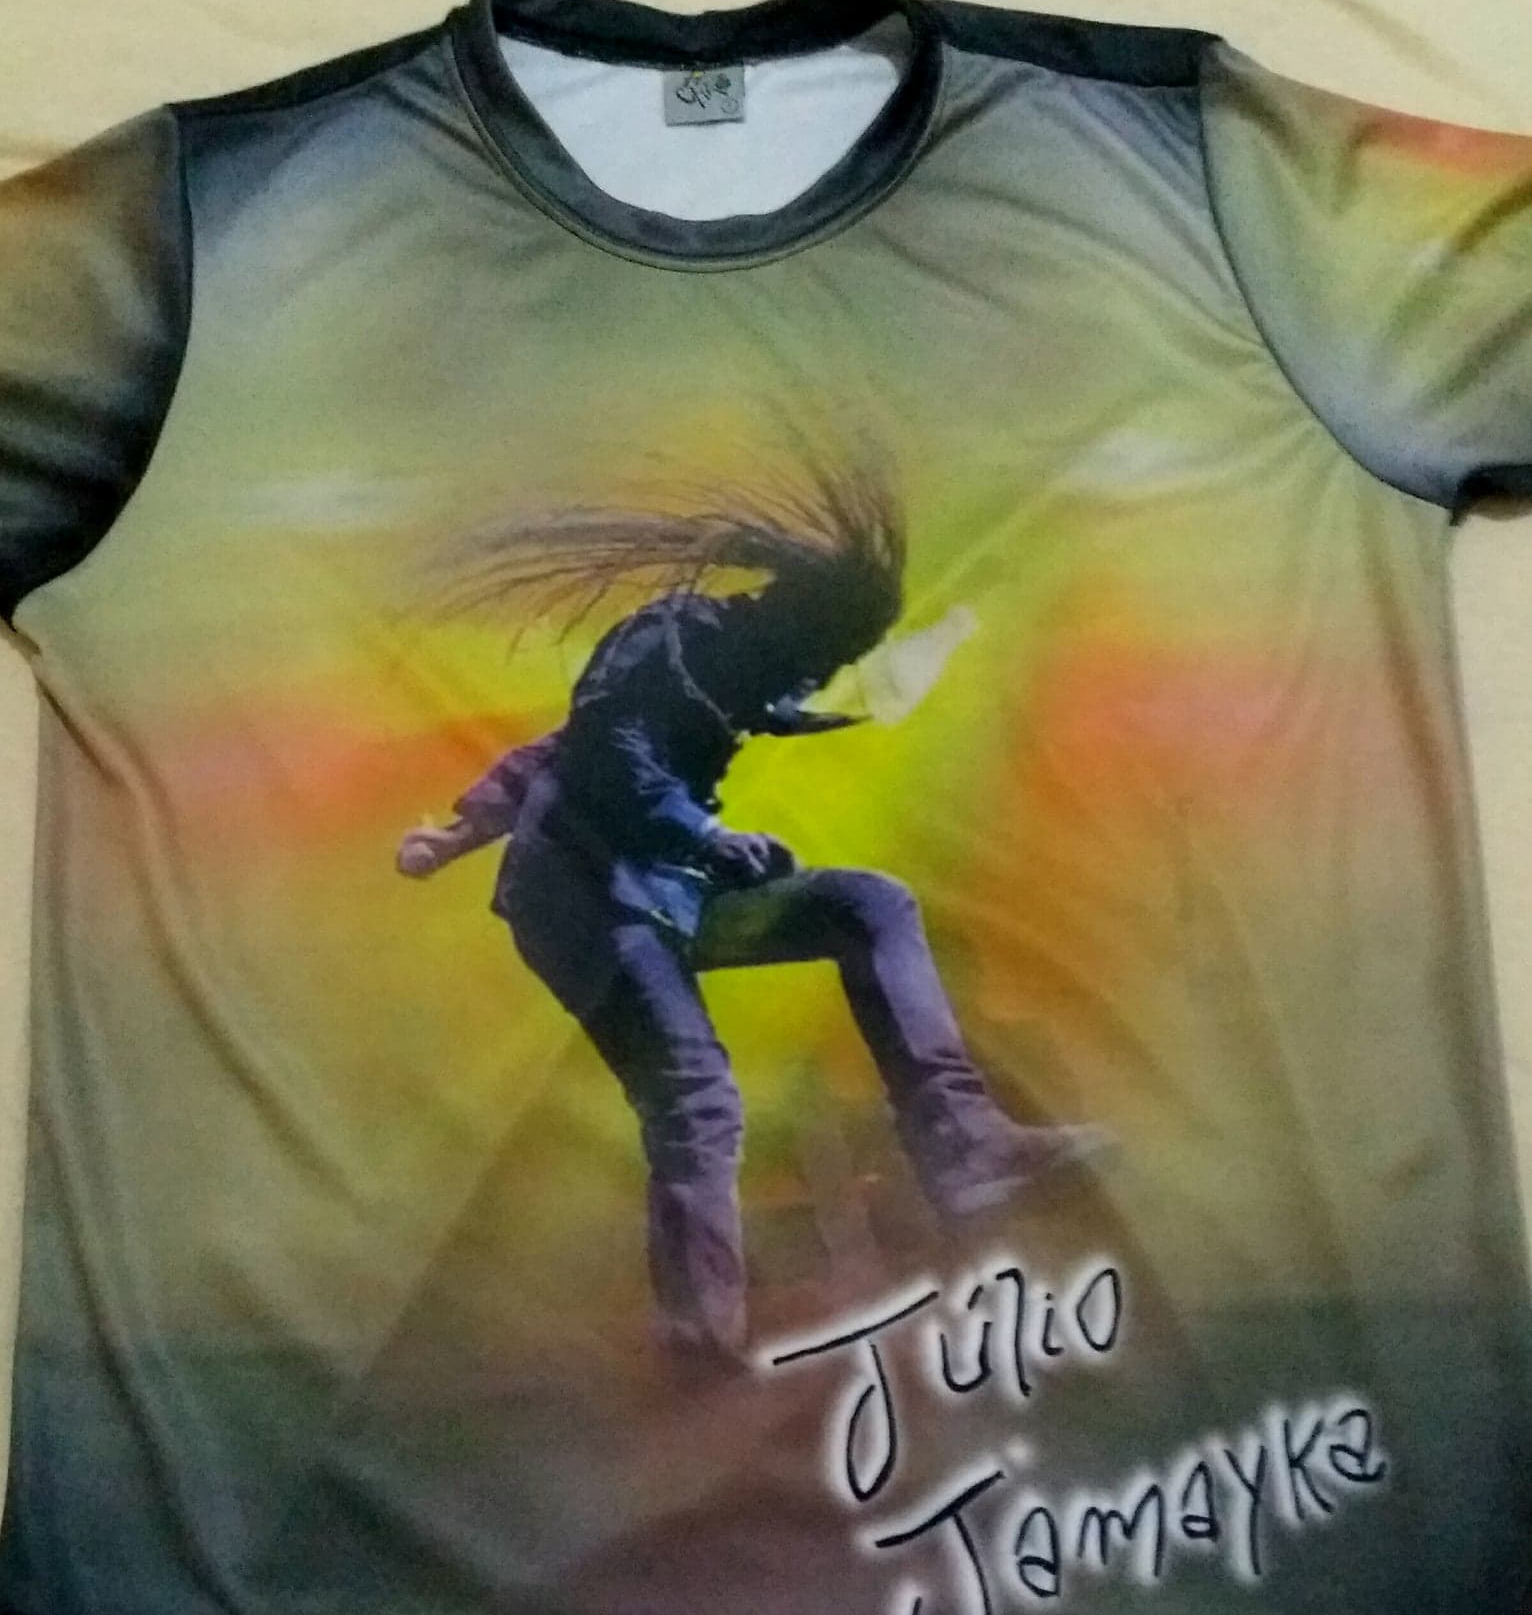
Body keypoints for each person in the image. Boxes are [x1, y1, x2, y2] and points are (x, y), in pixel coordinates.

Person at [397, 430, 1111, 1363]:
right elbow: (602, 754)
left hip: (675, 898)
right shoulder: (670, 643)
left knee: (870, 905)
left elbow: (574, 745)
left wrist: (459, 832)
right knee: (695, 1097)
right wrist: (703, 838)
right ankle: (698, 1331)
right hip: (581, 907)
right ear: (789, 625)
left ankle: (963, 1145)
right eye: (821, 656)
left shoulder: (749, 671)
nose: (814, 678)